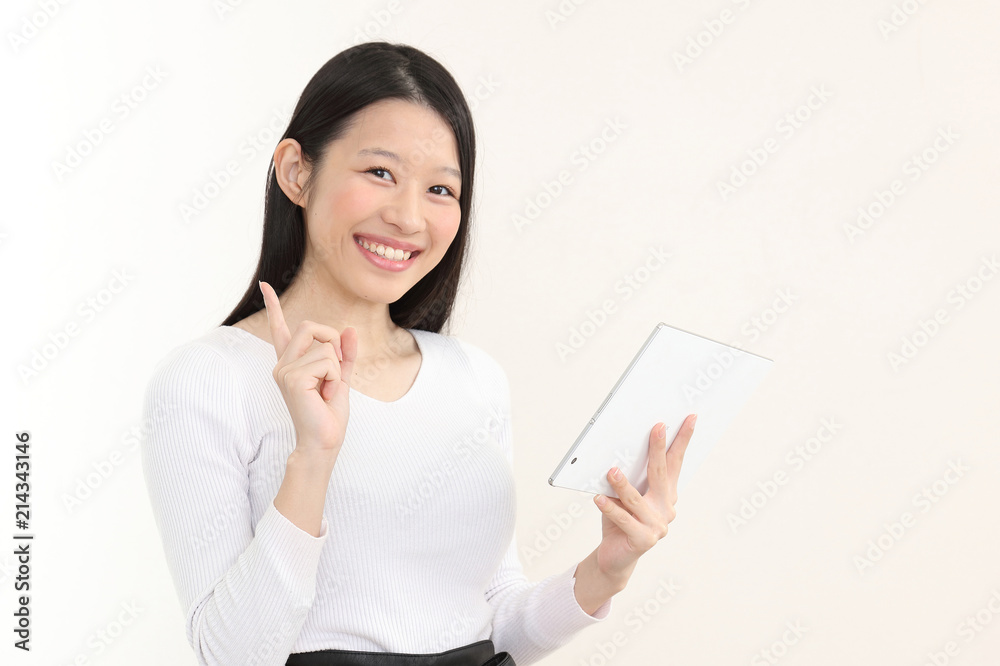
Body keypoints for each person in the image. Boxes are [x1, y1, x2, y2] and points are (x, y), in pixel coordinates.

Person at [140, 41, 696, 666]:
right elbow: (232, 655)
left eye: (439, 189)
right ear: (297, 172)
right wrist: (313, 458)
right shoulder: (207, 379)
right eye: (380, 173)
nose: (408, 217)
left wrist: (607, 570)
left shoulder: (474, 377)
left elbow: (495, 622)